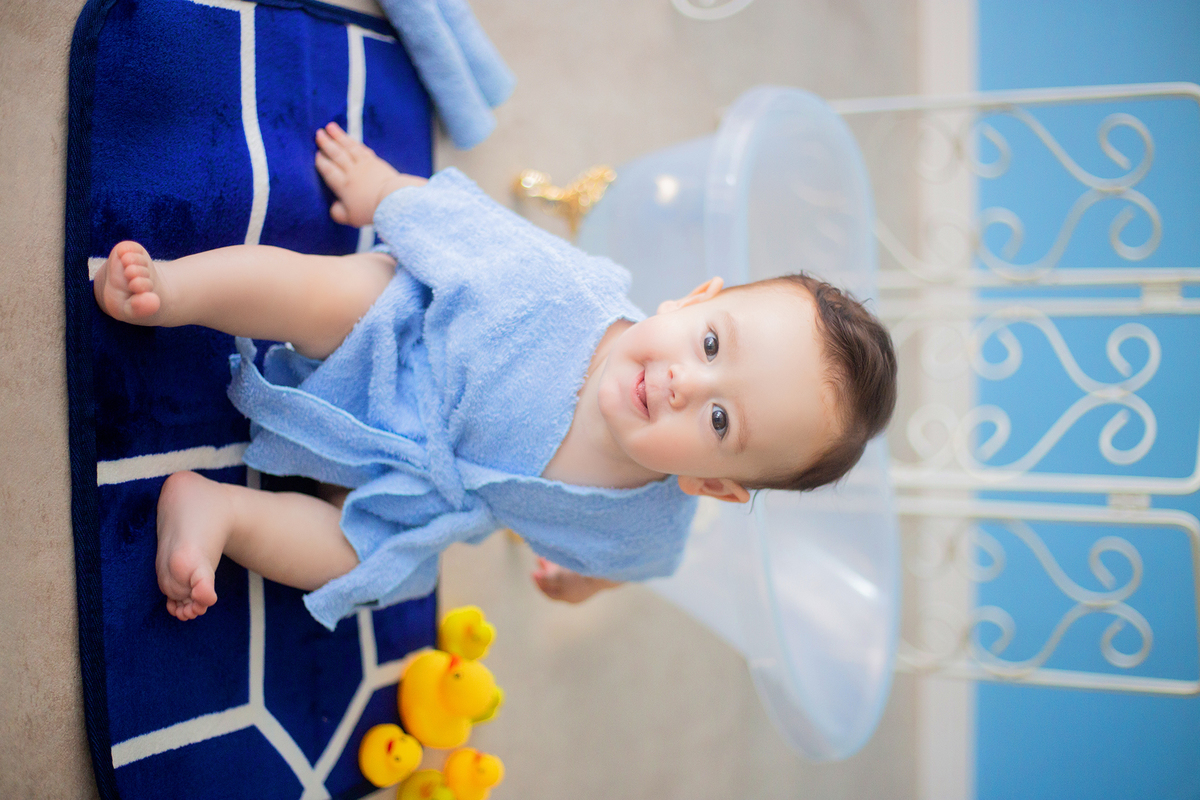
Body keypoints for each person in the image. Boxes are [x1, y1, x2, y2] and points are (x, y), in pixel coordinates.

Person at [93, 122, 897, 628]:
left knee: (368, 567)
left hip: (416, 487)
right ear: (695, 299)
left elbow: (634, 566)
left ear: (714, 487)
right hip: (402, 344)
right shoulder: (566, 291)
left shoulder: (643, 523)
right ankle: (177, 290)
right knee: (330, 293)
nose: (688, 383)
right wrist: (387, 194)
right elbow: (471, 233)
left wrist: (581, 586)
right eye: (712, 344)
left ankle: (218, 514)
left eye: (721, 423)